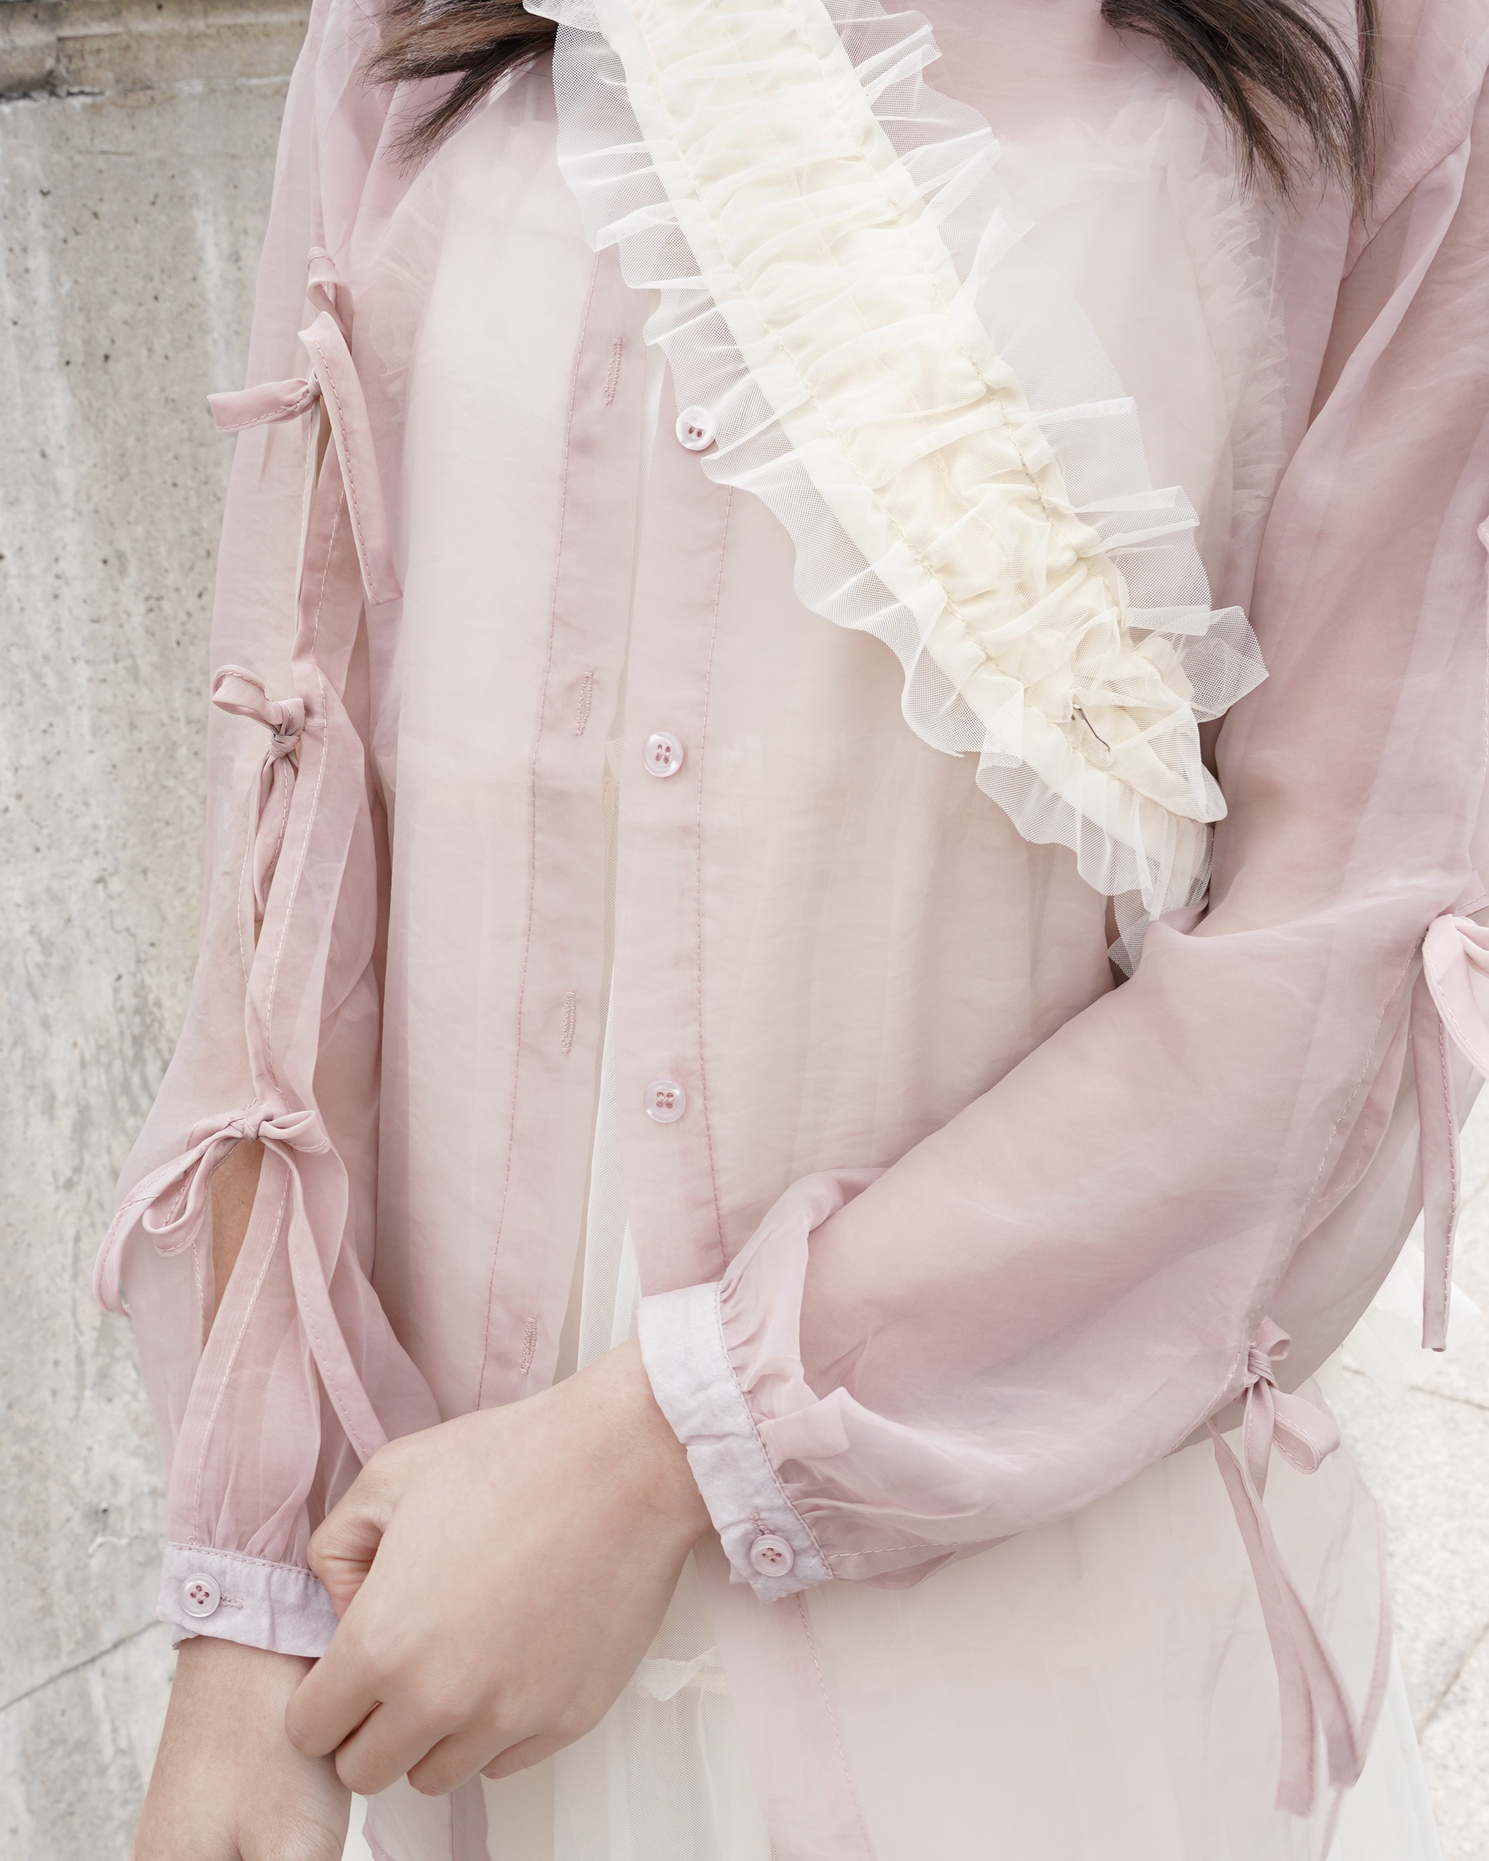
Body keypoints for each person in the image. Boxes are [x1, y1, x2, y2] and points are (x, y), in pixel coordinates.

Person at [99, 0, 1489, 1854]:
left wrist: (662, 1449)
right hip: (462, 1675)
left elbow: (1334, 960)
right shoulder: (401, 34)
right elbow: (299, 803)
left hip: (1022, 1665)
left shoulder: (1388, 45)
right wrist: (249, 1588)